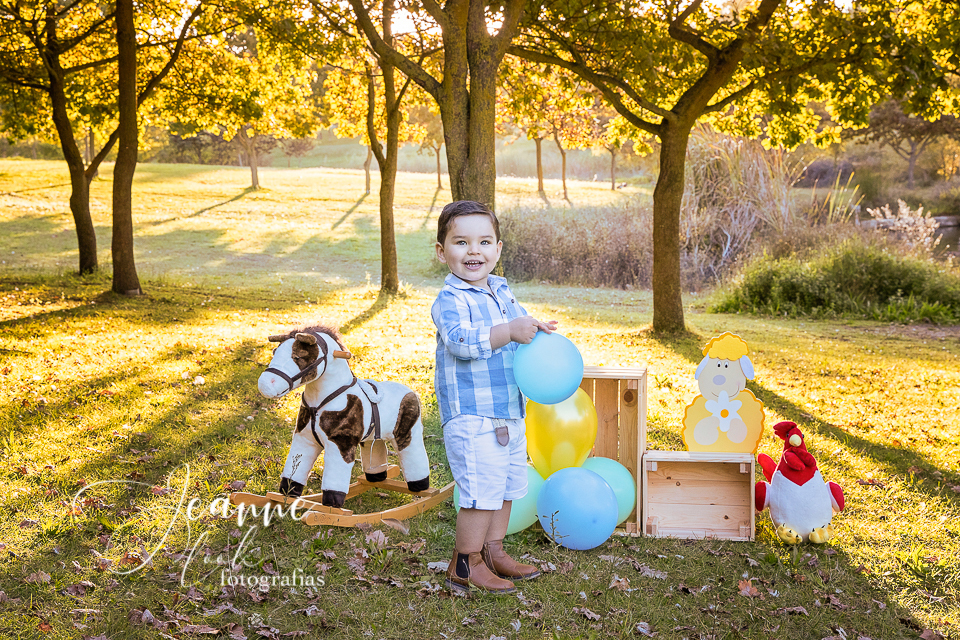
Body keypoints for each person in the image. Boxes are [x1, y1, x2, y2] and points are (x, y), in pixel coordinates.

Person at [431, 200, 557, 594]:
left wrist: (534, 326)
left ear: (498, 249)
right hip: (472, 412)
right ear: (442, 252)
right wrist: (509, 331)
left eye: (484, 242)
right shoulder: (450, 299)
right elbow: (460, 342)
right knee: (480, 491)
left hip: (508, 407)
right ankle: (464, 564)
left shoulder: (501, 288)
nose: (474, 251)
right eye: (461, 242)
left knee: (505, 486)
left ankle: (494, 551)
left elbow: (516, 324)